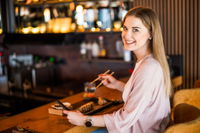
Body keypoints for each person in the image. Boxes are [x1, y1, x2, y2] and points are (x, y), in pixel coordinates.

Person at [63, 6, 172, 133]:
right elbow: (142, 95)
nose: (127, 35)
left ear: (151, 33)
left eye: (135, 30)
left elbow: (124, 119)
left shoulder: (148, 68)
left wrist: (84, 120)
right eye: (125, 28)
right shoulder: (149, 61)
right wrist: (117, 85)